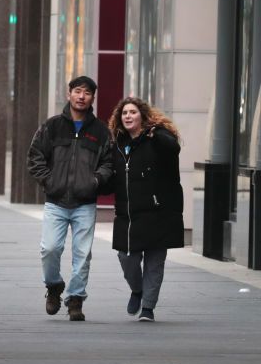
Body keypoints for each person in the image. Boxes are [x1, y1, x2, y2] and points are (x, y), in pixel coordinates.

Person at [27, 76, 113, 321]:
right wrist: (49, 180)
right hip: (56, 201)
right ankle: (54, 286)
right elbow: (35, 157)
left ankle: (75, 299)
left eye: (87, 92)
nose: (81, 96)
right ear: (69, 94)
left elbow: (108, 164)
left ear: (92, 98)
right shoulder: (52, 126)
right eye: (77, 91)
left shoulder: (100, 131)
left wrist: (95, 181)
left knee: (82, 254)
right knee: (50, 249)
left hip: (84, 203)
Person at [105, 97, 183, 322]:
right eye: (124, 113)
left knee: (155, 262)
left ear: (143, 117)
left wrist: (156, 131)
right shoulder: (117, 145)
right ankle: (137, 290)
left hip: (159, 211)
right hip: (129, 214)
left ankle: (148, 307)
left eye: (133, 112)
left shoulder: (157, 139)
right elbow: (111, 178)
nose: (128, 116)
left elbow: (173, 148)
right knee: (126, 256)